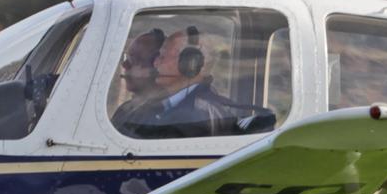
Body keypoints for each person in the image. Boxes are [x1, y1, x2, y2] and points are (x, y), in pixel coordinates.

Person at [115, 26, 275, 138]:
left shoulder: (198, 115)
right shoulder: (160, 107)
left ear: (191, 63)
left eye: (163, 56)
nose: (156, 63)